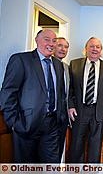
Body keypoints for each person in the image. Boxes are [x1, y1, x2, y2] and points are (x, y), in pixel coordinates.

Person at [0, 29, 67, 162]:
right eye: (47, 39)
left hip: (52, 125)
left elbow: (60, 94)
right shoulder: (21, 60)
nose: (51, 43)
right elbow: (8, 91)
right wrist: (13, 122)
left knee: (51, 166)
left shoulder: (58, 65)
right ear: (36, 40)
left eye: (54, 41)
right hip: (26, 125)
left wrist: (61, 117)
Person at [68, 37, 103, 163]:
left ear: (101, 50)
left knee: (95, 146)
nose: (95, 49)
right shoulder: (74, 64)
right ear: (86, 49)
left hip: (99, 111)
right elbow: (70, 88)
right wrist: (70, 106)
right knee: (76, 145)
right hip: (79, 110)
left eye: (98, 47)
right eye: (92, 46)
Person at [53, 37, 70, 162]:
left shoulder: (67, 68)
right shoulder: (43, 64)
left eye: (65, 47)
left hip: (63, 117)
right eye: (60, 45)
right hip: (45, 116)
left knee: (58, 150)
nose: (63, 49)